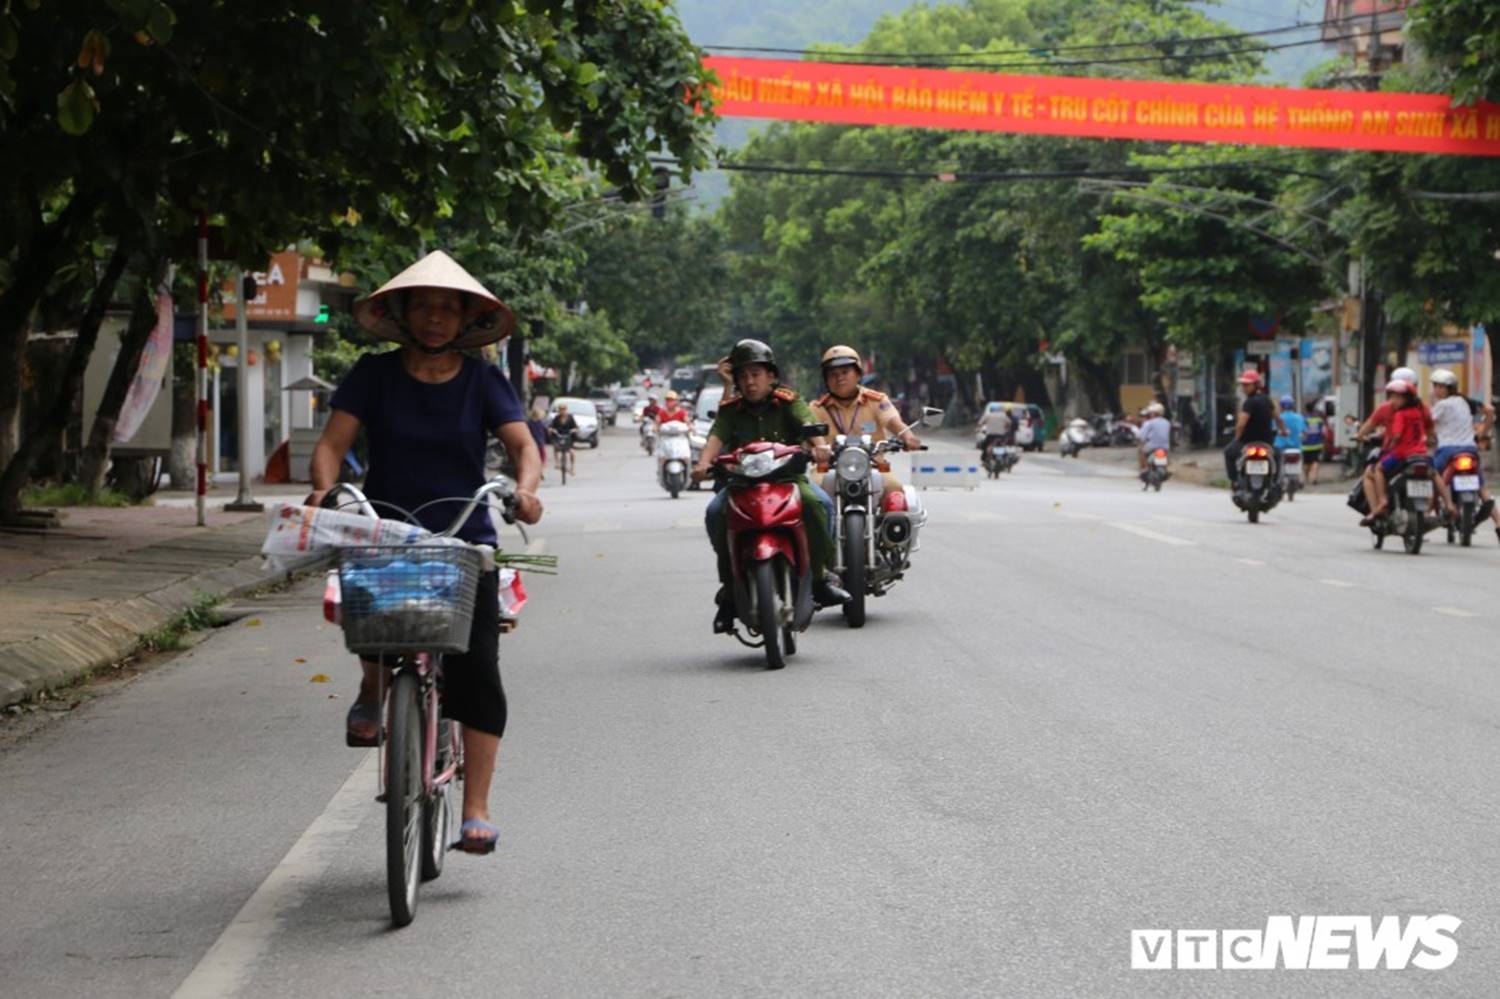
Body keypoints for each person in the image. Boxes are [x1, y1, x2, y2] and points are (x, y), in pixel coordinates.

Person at [309, 250, 543, 855]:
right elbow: (333, 445)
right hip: (383, 530)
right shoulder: (373, 374)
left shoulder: (484, 381)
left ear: (464, 319)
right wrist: (324, 488)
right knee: (373, 626)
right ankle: (371, 687)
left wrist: (526, 491)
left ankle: (477, 809)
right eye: (424, 306)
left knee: (479, 669)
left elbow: (523, 447)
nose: (435, 317)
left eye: (447, 307)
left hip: (466, 539)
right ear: (403, 314)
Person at [690, 339, 848, 632]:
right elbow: (715, 439)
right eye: (743, 376)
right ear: (736, 380)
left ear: (771, 376)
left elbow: (809, 426)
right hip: (740, 485)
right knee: (715, 512)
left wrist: (820, 447)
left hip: (787, 480)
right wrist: (702, 464)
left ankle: (820, 577)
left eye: (756, 375)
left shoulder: (790, 401)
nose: (750, 382)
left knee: (820, 505)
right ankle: (729, 590)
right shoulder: (730, 410)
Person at [808, 345, 921, 497]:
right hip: (829, 467)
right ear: (826, 380)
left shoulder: (876, 400)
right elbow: (809, 432)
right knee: (811, 494)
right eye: (833, 374)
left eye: (845, 372)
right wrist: (816, 449)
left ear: (858, 374)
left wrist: (907, 437)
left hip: (873, 465)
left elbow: (893, 421)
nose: (839, 378)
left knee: (894, 490)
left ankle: (891, 522)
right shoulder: (817, 408)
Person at [1429, 367, 1500, 539]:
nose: (1438, 390)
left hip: (1447, 450)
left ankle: (1427, 515)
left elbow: (1428, 423)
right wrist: (1482, 432)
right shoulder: (1465, 401)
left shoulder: (1441, 405)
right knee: (1481, 487)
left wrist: (1427, 436)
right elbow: (1490, 410)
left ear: (1449, 388)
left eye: (1441, 387)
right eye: (1436, 386)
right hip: (1470, 449)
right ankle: (1498, 523)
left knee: (1431, 475)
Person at [1355, 366, 1431, 510]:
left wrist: (1359, 435)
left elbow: (1372, 425)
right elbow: (1429, 428)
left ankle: (1378, 507)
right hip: (1419, 452)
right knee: (1434, 473)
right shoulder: (1421, 408)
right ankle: (1440, 506)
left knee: (1371, 472)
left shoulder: (1389, 409)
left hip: (1397, 453)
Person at [1224, 370, 1287, 487]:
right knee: (1277, 454)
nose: (1244, 387)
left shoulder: (1249, 403)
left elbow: (1241, 424)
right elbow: (1278, 419)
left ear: (1256, 385)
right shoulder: (1267, 400)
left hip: (1247, 442)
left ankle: (1235, 481)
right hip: (1266, 442)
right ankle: (1276, 482)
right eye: (1243, 384)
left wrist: (1236, 439)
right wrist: (1284, 431)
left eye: (1247, 384)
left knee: (1228, 452)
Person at [1137, 402, 1171, 472]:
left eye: (1151, 413)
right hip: (1165, 447)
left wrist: (1142, 440)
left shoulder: (1149, 422)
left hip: (1152, 446)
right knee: (1166, 456)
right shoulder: (1167, 422)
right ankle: (1166, 468)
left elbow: (1142, 436)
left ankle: (1144, 468)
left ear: (1153, 413)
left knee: (1141, 450)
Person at [549, 403, 579, 476]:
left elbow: (576, 427)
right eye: (561, 410)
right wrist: (552, 430)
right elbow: (551, 426)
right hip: (559, 436)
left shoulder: (570, 417)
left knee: (572, 452)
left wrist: (573, 430)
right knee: (556, 447)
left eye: (564, 410)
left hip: (568, 437)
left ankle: (572, 467)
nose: (562, 411)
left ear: (566, 410)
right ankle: (557, 463)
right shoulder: (557, 418)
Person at [1301, 400, 1325, 486]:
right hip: (1317, 445)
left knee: (1306, 463)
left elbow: (1301, 432)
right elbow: (1323, 432)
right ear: (1314, 410)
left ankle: (1307, 478)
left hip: (1305, 446)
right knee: (1315, 461)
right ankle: (1314, 478)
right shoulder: (1319, 420)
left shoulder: (1303, 420)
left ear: (1306, 410)